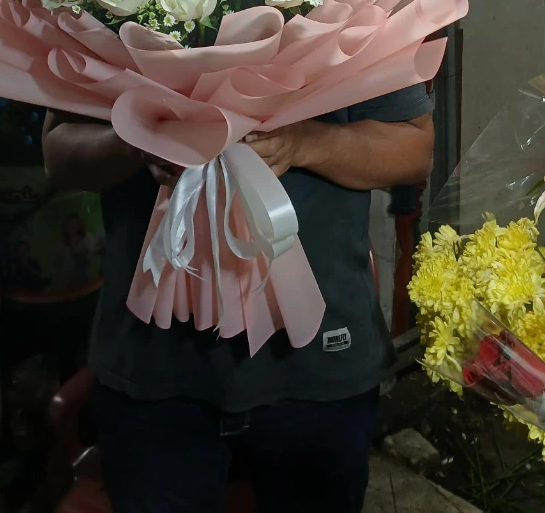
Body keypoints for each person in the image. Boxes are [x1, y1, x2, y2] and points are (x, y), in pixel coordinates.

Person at [43, 84, 434, 513]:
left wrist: (305, 143)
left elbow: (414, 149)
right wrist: (137, 141)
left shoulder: (354, 34)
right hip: (151, 368)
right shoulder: (109, 32)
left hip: (317, 363)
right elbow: (59, 152)